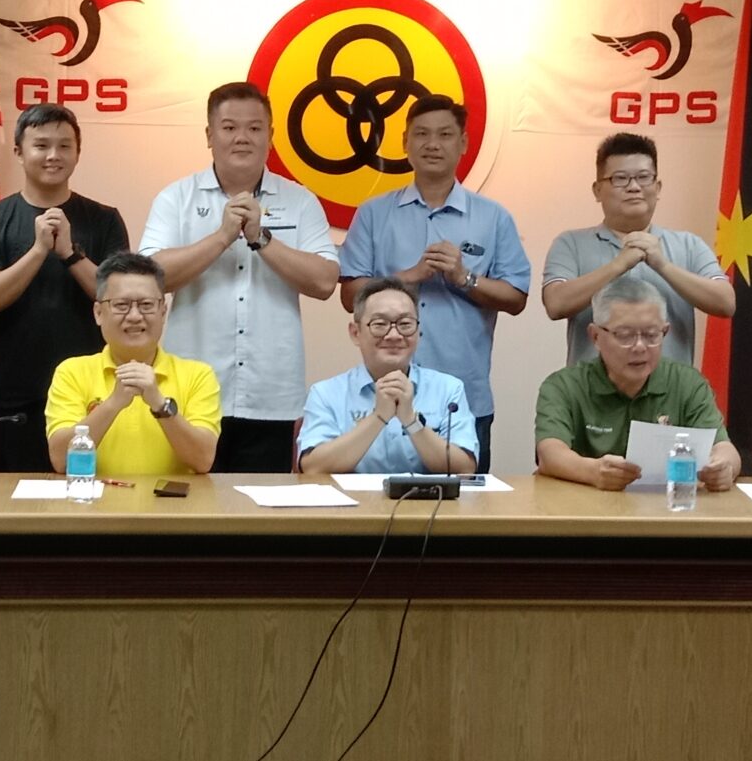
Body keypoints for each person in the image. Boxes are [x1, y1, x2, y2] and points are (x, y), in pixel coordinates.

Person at [139, 82, 337, 472]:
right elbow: (150, 278)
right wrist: (222, 237)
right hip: (190, 389)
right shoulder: (176, 198)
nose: (242, 137)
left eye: (254, 128)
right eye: (229, 127)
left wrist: (261, 239)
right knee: (187, 501)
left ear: (270, 136)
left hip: (271, 393)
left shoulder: (300, 200)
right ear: (209, 135)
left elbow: (325, 281)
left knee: (261, 506)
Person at [340, 95, 529, 471]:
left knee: (465, 502)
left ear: (464, 143)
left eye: (445, 134)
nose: (432, 144)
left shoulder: (493, 217)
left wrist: (464, 277)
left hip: (464, 398)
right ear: (405, 142)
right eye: (422, 134)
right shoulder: (374, 213)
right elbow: (349, 295)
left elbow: (516, 297)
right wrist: (407, 278)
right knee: (372, 500)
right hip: (382, 393)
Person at [0, 104, 131, 473]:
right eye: (41, 145)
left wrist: (70, 254)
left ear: (78, 153)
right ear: (18, 152)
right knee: (11, 497)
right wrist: (39, 250)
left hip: (91, 392)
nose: (53, 155)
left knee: (88, 493)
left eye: (64, 146)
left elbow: (118, 299)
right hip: (16, 391)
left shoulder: (104, 219)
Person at [535, 278, 741, 492]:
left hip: (662, 508)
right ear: (595, 336)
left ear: (665, 331)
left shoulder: (688, 383)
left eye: (651, 335)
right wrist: (593, 472)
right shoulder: (563, 386)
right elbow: (549, 454)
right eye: (625, 335)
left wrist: (723, 468)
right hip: (582, 506)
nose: (640, 346)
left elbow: (725, 449)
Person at [543, 133, 732, 366]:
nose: (634, 187)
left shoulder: (688, 244)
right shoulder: (571, 243)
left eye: (644, 177)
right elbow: (555, 304)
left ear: (658, 187)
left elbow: (726, 302)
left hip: (671, 388)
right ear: (597, 190)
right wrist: (618, 265)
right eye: (620, 178)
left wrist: (663, 266)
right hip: (592, 389)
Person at [46, 253, 221, 475]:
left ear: (163, 312)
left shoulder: (198, 375)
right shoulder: (71, 372)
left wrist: (160, 404)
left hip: (170, 498)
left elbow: (203, 460)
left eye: (146, 305)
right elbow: (61, 460)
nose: (135, 316)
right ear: (99, 313)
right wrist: (113, 403)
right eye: (122, 305)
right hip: (95, 497)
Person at [297, 277, 477, 475]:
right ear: (356, 333)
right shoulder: (325, 393)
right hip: (353, 496)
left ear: (418, 331)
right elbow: (312, 468)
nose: (394, 335)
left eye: (405, 324)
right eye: (380, 324)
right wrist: (379, 417)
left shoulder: (448, 389)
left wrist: (411, 421)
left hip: (428, 496)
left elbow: (465, 468)